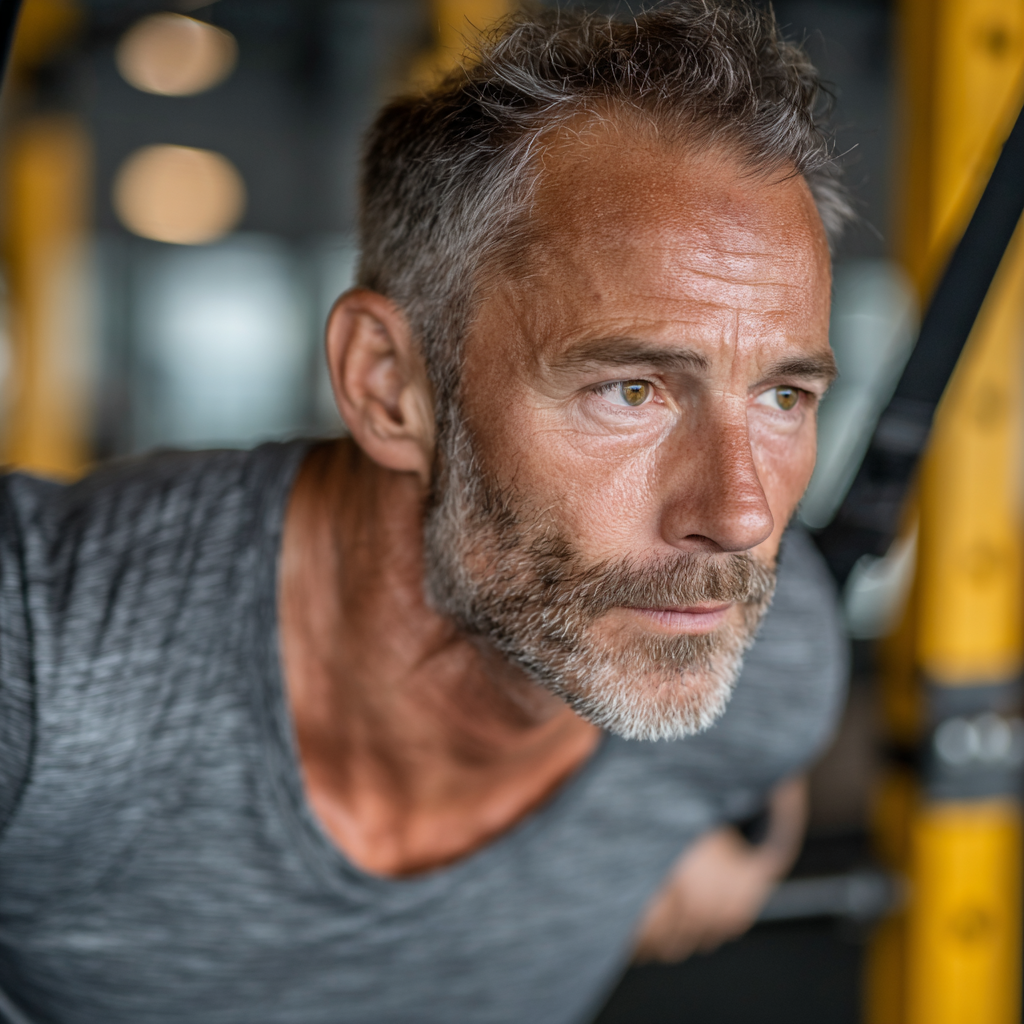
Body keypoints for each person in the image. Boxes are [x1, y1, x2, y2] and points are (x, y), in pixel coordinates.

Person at [0, 3, 850, 1022]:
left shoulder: (762, 649)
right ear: (389, 385)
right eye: (632, 390)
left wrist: (741, 839)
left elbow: (766, 746)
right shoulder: (45, 655)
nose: (741, 514)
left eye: (783, 397)